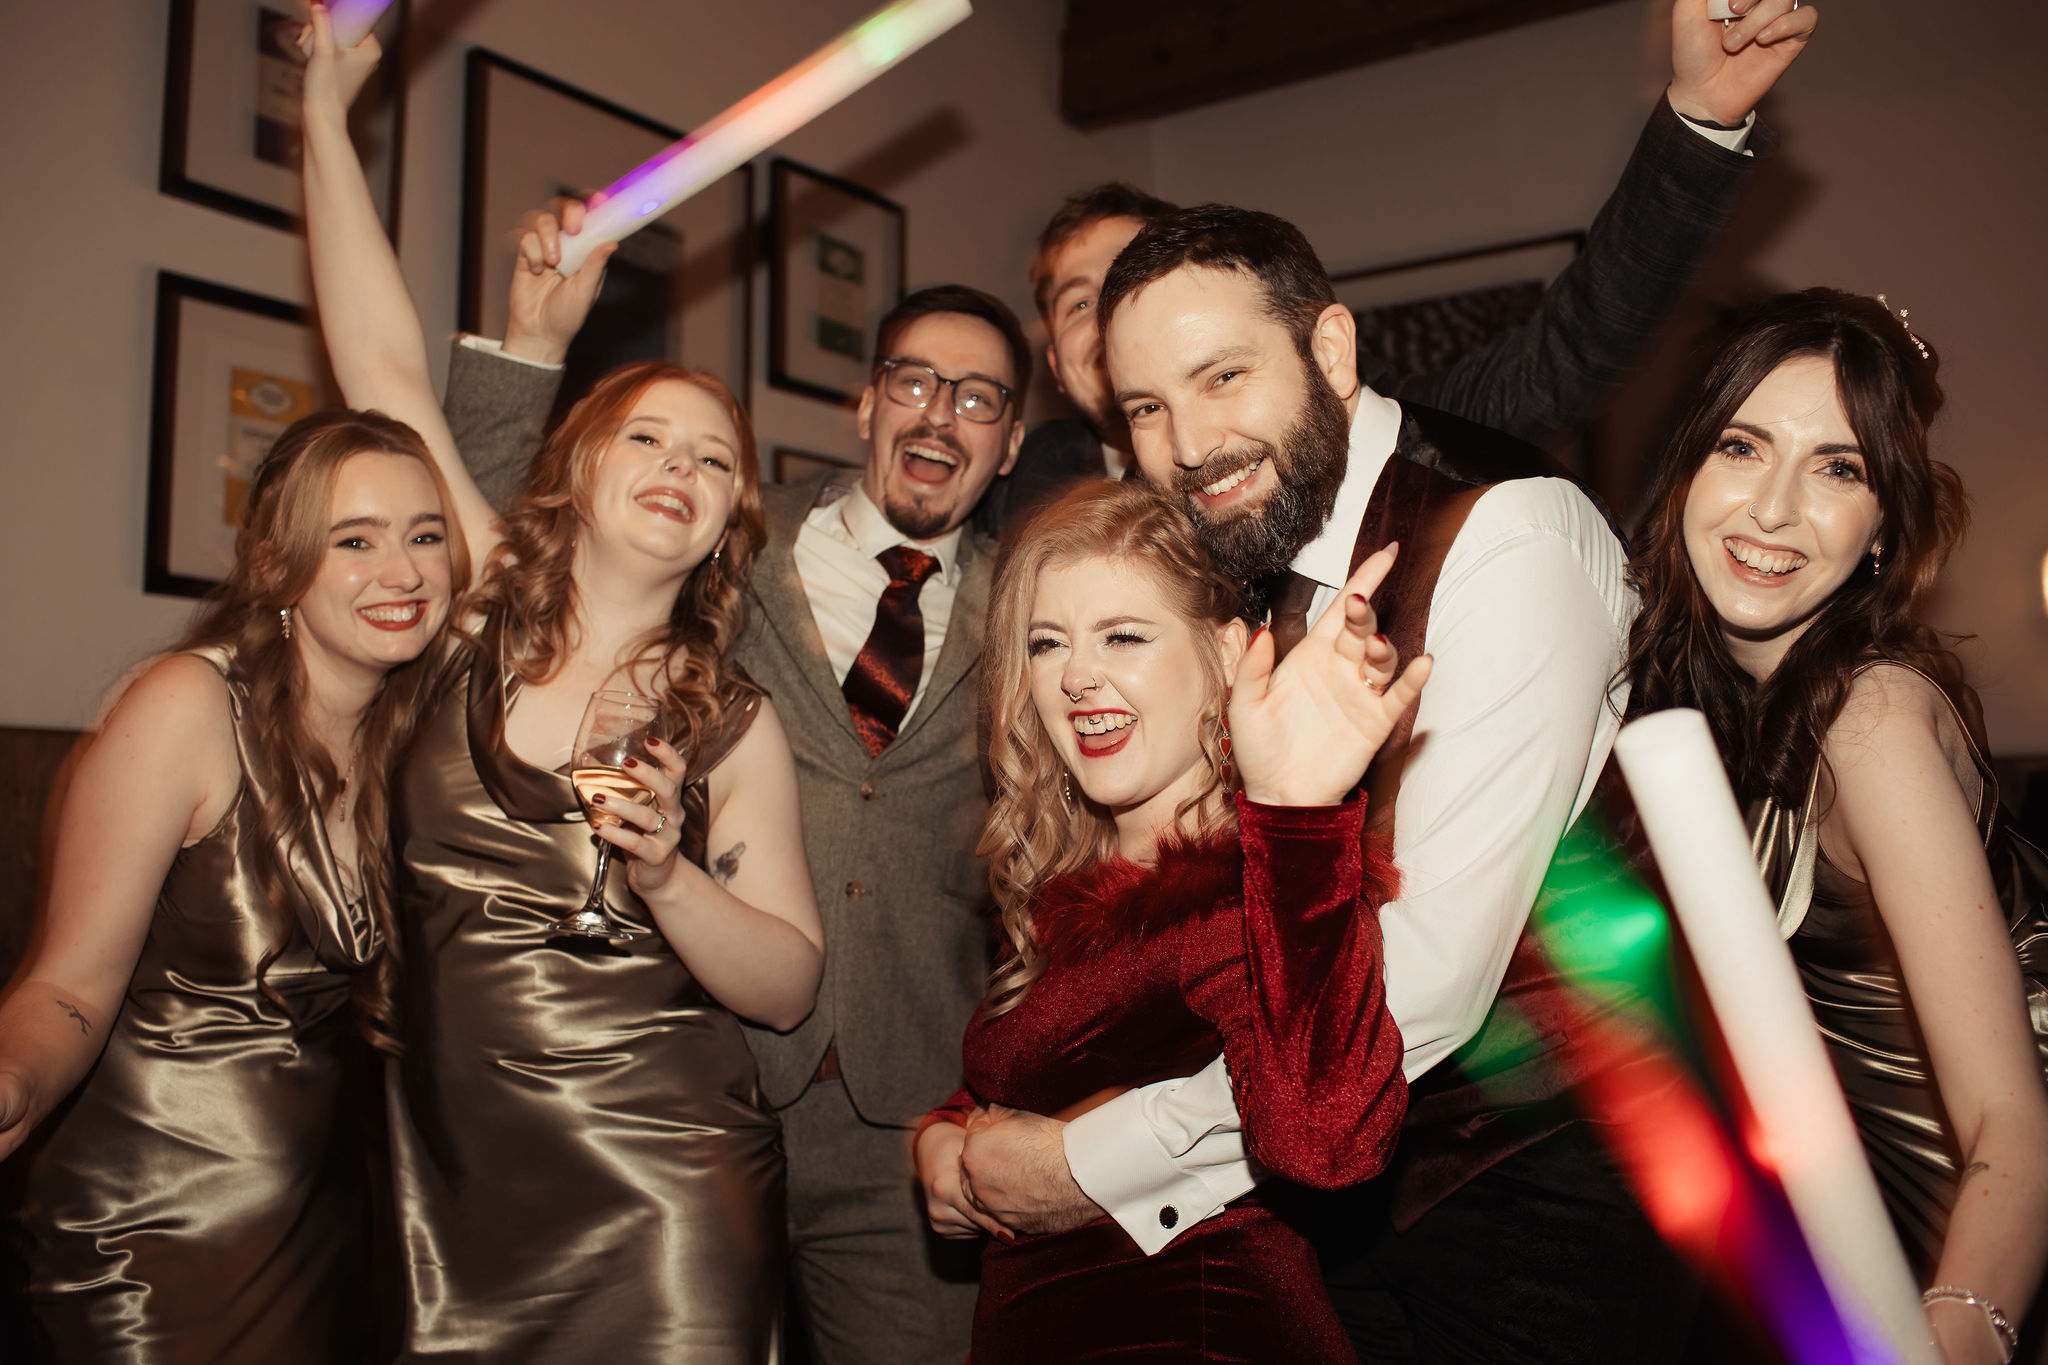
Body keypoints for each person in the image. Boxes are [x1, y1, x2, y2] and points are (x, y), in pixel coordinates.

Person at [953, 192, 1685, 1361]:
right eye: (1147, 406)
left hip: (1539, 1200)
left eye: (1221, 377)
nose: (1188, 444)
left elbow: (1428, 985)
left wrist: (1087, 1164)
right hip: (1319, 1202)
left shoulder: (1504, 538)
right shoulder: (1245, 540)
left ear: (1330, 351)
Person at [299, 11, 823, 1361]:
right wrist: (323, 101)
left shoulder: (731, 719)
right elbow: (379, 368)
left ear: (726, 525)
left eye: (714, 461)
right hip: (446, 1183)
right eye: (646, 434)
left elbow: (781, 984)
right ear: (577, 469)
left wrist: (670, 874)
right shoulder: (470, 604)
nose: (681, 465)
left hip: (666, 1192)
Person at [449, 264, 1032, 1363]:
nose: (938, 414)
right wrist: (526, 343)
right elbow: (506, 505)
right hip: (684, 1077)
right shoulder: (726, 537)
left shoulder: (1032, 606)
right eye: (914, 381)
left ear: (1006, 445)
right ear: (864, 404)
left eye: (977, 397)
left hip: (909, 1111)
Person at [1621, 288, 2048, 1365]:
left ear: (1880, 530)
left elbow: (2011, 1118)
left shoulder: (1870, 725)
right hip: (1853, 1236)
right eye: (1741, 446)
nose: (1770, 509)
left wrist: (1964, 1331)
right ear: (1685, 467)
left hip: (1982, 1237)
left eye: (1836, 468)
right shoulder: (1686, 694)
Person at [973, 0, 1820, 541]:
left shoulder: (1392, 437)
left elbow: (1576, 342)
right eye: (1084, 299)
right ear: (1053, 357)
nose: (1122, 314)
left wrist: (1701, 118)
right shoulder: (1030, 483)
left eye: (1138, 277)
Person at [916, 478, 1425, 1361]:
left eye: (1124, 635)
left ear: (1227, 650)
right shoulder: (1067, 886)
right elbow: (1051, 1066)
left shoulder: (1251, 893)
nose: (1077, 675)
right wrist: (945, 1135)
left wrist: (1299, 817)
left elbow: (1326, 1141)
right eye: (1047, 644)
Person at [0, 401, 464, 1364]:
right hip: (142, 1241)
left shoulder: (415, 738)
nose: (404, 571)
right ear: (275, 565)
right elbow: (66, 985)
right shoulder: (188, 708)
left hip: (322, 1239)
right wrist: (14, 1079)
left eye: (426, 535)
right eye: (355, 540)